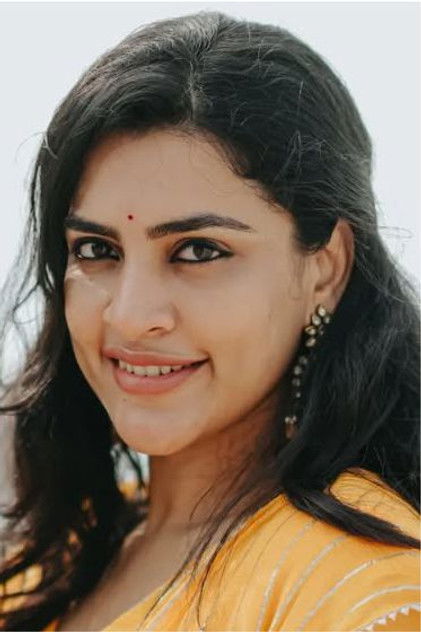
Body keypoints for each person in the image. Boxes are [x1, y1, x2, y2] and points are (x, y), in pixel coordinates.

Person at [0, 10, 419, 632]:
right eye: (96, 249)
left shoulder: (358, 584)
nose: (130, 315)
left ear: (325, 269)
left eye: (198, 251)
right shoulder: (52, 564)